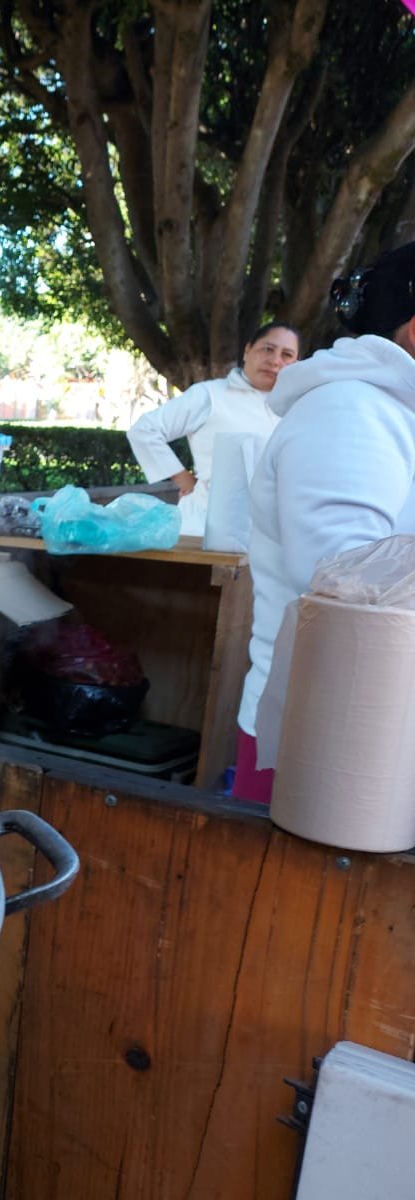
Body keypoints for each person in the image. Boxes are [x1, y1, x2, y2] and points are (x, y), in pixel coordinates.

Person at [233, 242, 415, 803]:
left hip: (373, 735)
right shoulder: (353, 411)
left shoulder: (391, 412)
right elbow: (348, 586)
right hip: (327, 742)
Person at [127, 322, 301, 538]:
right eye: (268, 349)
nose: (275, 361)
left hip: (271, 537)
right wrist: (183, 479)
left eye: (287, 355)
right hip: (205, 529)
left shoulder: (296, 409)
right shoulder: (210, 395)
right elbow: (145, 430)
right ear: (247, 350)